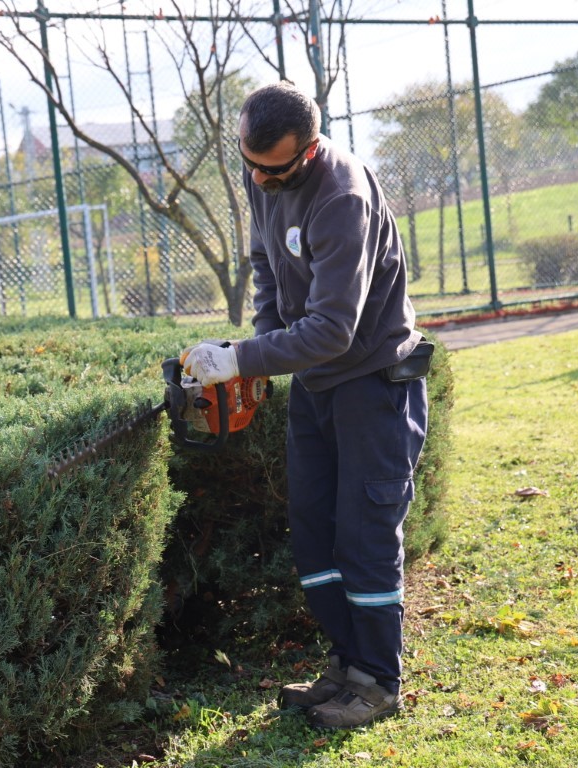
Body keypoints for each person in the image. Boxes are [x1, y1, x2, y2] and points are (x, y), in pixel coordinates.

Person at [181, 80, 430, 730]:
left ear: (310, 150)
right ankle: (346, 666)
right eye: (250, 164)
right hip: (317, 388)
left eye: (276, 169)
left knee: (366, 532)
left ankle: (379, 681)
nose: (260, 179)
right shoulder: (260, 171)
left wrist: (240, 358)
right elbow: (266, 264)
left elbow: (332, 330)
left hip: (373, 382)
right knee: (315, 529)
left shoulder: (341, 196)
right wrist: (263, 344)